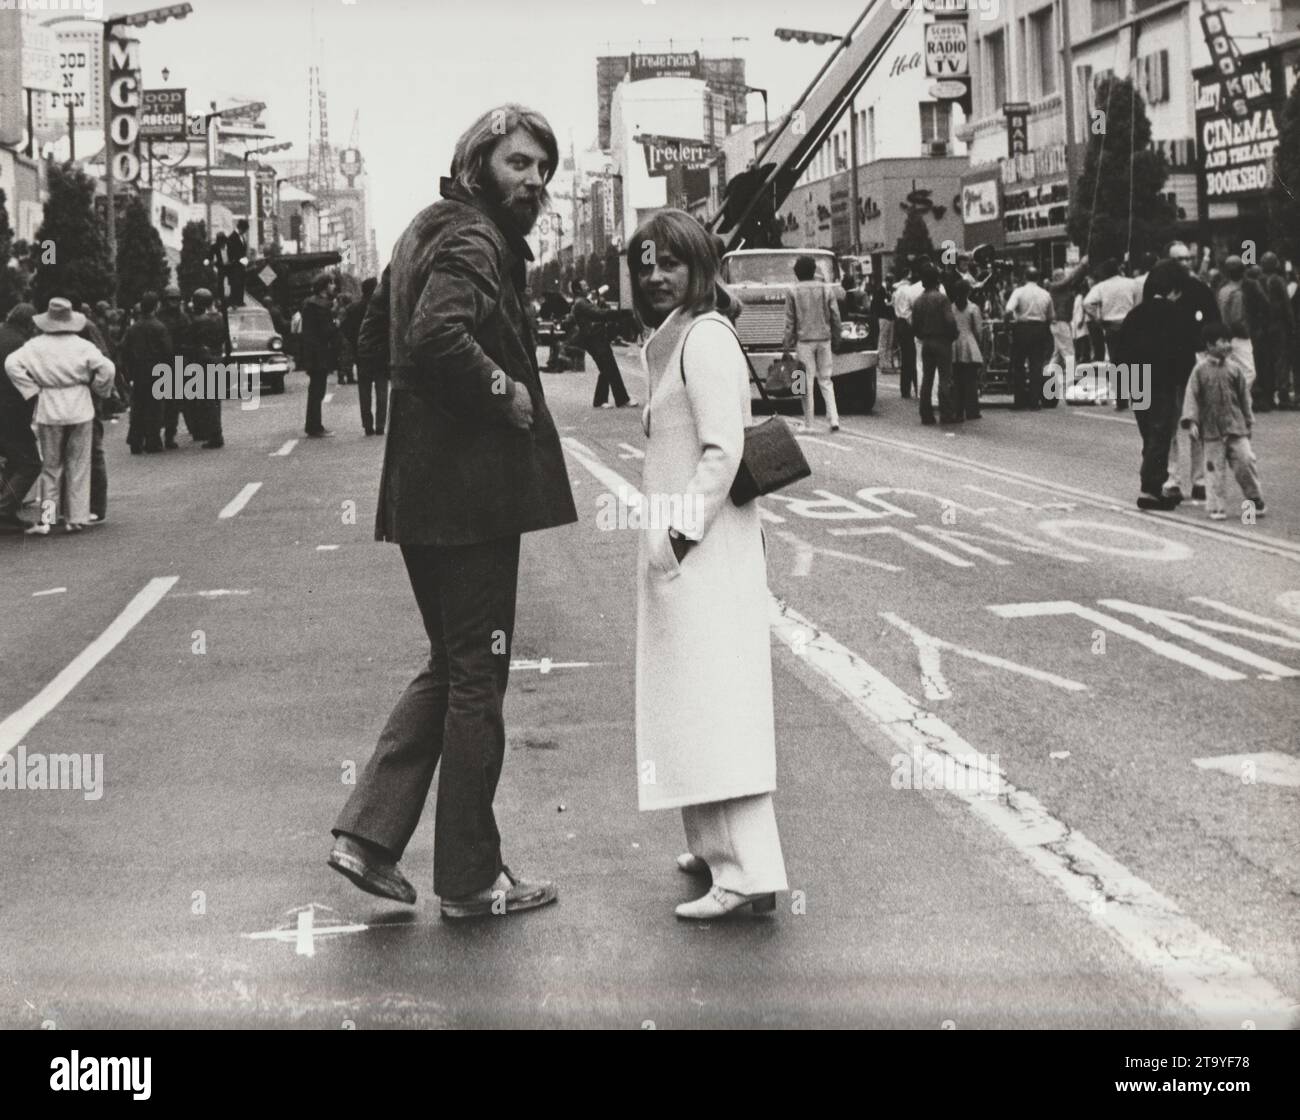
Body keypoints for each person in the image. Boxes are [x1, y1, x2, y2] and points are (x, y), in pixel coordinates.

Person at [329, 103, 578, 920]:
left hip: (421, 488)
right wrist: (501, 390)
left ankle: (366, 838)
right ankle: (472, 878)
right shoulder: (473, 238)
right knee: (478, 677)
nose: (533, 180)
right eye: (517, 164)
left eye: (541, 166)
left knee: (451, 662)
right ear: (478, 165)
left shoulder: (422, 231)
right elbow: (437, 337)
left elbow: (374, 344)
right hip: (471, 498)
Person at [627, 207, 788, 920]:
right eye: (644, 263)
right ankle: (711, 847)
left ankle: (746, 873)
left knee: (718, 708)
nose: (654, 275)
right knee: (693, 703)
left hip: (705, 551)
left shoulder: (707, 338)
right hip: (696, 552)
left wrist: (676, 540)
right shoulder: (675, 339)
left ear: (701, 267)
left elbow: (722, 450)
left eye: (670, 262)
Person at [4, 298, 115, 534]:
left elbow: (11, 363)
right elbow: (107, 368)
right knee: (78, 464)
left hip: (49, 407)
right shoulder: (81, 346)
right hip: (79, 405)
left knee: (51, 466)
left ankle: (47, 519)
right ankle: (77, 517)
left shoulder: (34, 346)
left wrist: (31, 389)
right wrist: (99, 388)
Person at [1116, 261, 1194, 511]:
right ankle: (1149, 488)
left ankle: (1155, 482)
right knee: (1160, 433)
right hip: (1162, 380)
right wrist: (1185, 382)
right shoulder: (1176, 314)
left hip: (1136, 377)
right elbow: (1185, 353)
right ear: (1173, 289)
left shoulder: (1135, 314)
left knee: (1148, 433)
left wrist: (1123, 386)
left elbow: (1119, 353)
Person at [1181, 322, 1264, 521]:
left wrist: (1248, 420)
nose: (1227, 345)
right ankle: (1216, 506)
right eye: (1222, 341)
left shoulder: (1235, 370)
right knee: (1214, 469)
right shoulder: (1199, 371)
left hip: (1236, 426)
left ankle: (1254, 498)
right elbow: (1191, 396)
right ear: (1209, 345)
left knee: (1245, 462)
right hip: (1211, 431)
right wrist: (1192, 421)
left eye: (1229, 341)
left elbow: (1245, 397)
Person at [782, 254, 842, 431]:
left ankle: (809, 424)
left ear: (797, 273)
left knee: (803, 383)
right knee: (826, 380)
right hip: (824, 339)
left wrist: (786, 345)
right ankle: (834, 419)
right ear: (814, 271)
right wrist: (837, 337)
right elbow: (835, 317)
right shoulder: (826, 289)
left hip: (804, 342)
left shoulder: (792, 291)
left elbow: (790, 321)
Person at [0, 303, 40, 528]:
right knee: (30, 463)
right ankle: (4, 510)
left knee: (14, 461)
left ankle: (7, 508)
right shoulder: (20, 345)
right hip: (11, 413)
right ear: (28, 324)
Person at [571, 278, 636, 409]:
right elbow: (598, 313)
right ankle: (621, 400)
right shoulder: (580, 303)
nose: (587, 287)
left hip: (596, 338)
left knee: (606, 368)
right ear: (578, 289)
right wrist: (620, 313)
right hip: (593, 339)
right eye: (584, 286)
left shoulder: (583, 301)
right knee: (609, 367)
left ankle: (601, 400)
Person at [121, 291, 172, 455]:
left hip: (138, 373)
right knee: (155, 409)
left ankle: (135, 440)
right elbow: (168, 351)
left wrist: (128, 373)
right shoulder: (159, 327)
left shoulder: (133, 329)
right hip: (157, 373)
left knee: (138, 408)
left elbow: (125, 352)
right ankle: (153, 441)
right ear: (156, 306)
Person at [1084, 259, 1138, 407]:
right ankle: (1137, 394)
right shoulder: (1131, 283)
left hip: (1111, 326)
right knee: (1134, 358)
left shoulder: (1101, 287)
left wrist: (1097, 317)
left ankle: (1121, 398)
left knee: (1116, 360)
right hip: (1130, 324)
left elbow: (1087, 303)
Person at [911, 264, 959, 425]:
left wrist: (923, 335)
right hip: (942, 340)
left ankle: (926, 414)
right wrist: (953, 335)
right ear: (937, 281)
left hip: (926, 342)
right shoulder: (941, 299)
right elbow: (950, 320)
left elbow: (915, 326)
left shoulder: (918, 301)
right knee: (945, 377)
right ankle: (946, 413)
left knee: (927, 378)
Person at [1004, 266, 1054, 409]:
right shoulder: (1045, 294)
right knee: (1036, 366)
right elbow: (1051, 316)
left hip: (1022, 330)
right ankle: (1034, 401)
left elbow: (1008, 311)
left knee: (1018, 365)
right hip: (1039, 329)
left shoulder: (1019, 292)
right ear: (1038, 278)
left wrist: (1007, 326)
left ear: (1025, 277)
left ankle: (1019, 402)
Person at [186, 288, 227, 449]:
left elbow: (191, 342)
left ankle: (215, 435)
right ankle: (215, 433)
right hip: (218, 359)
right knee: (216, 399)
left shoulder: (198, 321)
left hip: (203, 361)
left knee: (207, 401)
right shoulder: (219, 318)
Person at [157, 285, 194, 447]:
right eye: (171, 299)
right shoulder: (159, 318)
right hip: (162, 363)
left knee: (176, 403)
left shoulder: (183, 318)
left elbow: (189, 338)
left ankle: (171, 434)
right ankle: (156, 434)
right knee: (160, 403)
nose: (173, 302)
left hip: (178, 362)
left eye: (176, 299)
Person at [350, 275, 388, 435]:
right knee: (381, 390)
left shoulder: (354, 308)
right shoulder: (384, 308)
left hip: (363, 354)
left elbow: (346, 328)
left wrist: (355, 345)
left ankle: (367, 425)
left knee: (364, 391)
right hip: (381, 354)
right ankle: (380, 425)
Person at [1255, 251, 1293, 411]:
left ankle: (1268, 395)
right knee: (1281, 360)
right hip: (1278, 325)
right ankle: (1283, 395)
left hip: (1263, 326)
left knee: (1267, 361)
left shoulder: (1257, 280)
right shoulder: (1278, 280)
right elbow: (1286, 304)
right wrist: (1291, 324)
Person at [300, 274, 337, 436]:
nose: (333, 286)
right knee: (318, 391)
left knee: (314, 390)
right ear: (324, 286)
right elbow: (326, 331)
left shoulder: (308, 304)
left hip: (310, 352)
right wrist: (337, 323)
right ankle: (315, 427)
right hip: (320, 353)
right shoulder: (322, 307)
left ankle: (312, 424)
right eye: (331, 283)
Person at [950, 279, 983, 420]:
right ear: (969, 291)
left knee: (957, 380)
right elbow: (978, 330)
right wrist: (978, 344)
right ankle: (972, 410)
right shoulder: (973, 308)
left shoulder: (951, 308)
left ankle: (958, 410)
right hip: (969, 344)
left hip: (954, 345)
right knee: (971, 380)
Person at [892, 264, 917, 398]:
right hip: (908, 324)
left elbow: (894, 306)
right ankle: (915, 386)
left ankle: (904, 389)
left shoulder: (897, 290)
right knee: (912, 357)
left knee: (905, 358)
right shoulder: (910, 290)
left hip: (899, 322)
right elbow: (910, 310)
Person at [225, 219, 249, 307]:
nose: (245, 232)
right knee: (235, 285)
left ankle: (240, 301)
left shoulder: (242, 237)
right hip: (234, 267)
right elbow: (232, 254)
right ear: (241, 228)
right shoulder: (232, 237)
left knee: (241, 283)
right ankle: (234, 302)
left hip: (241, 266)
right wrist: (241, 260)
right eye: (245, 230)